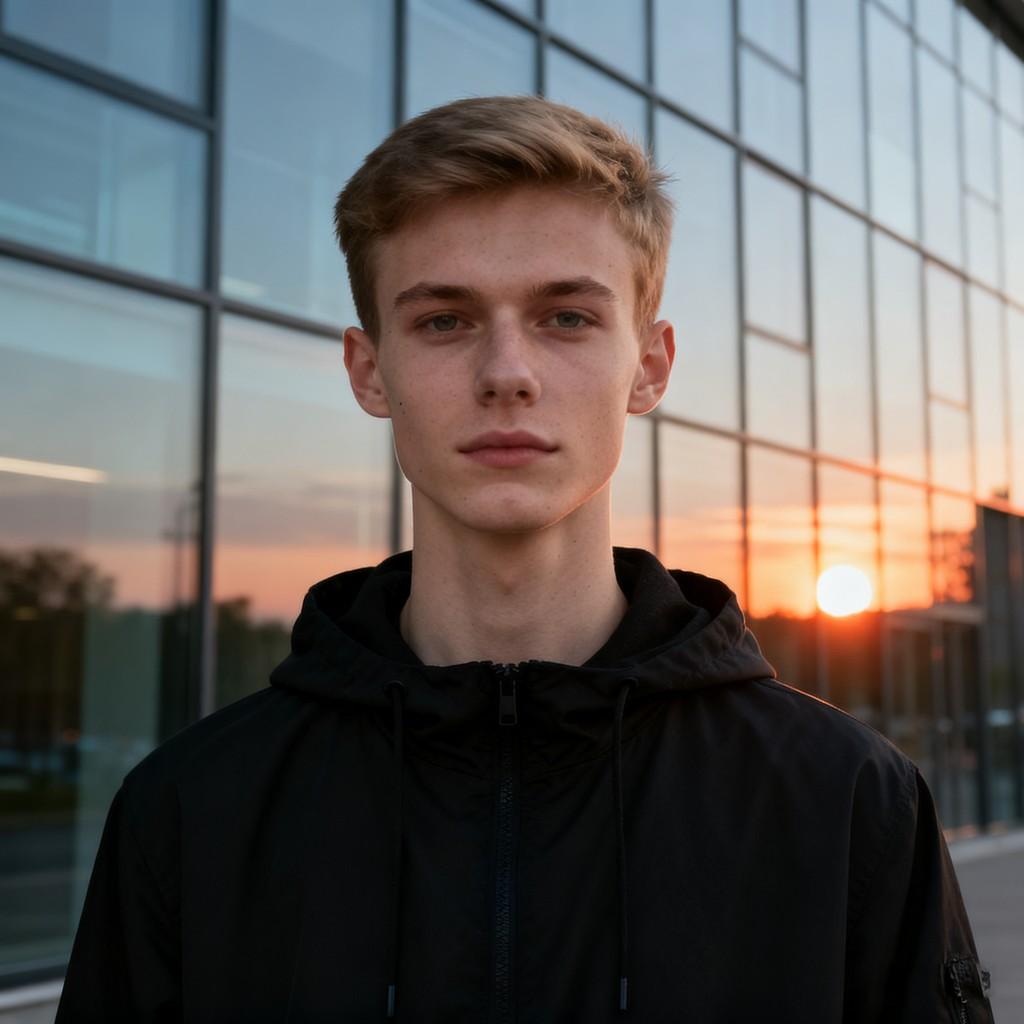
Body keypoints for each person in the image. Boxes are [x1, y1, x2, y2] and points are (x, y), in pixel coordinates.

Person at [55, 95, 994, 1022]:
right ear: (369, 370)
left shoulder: (845, 803)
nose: (507, 371)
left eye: (567, 318)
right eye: (444, 321)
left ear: (651, 366)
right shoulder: (191, 810)